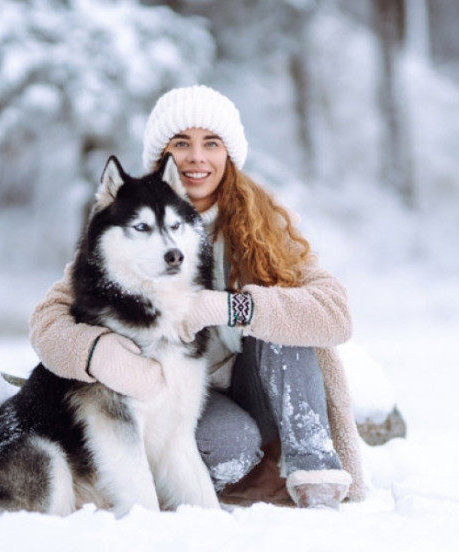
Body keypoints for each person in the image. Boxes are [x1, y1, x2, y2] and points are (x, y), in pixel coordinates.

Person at [28, 85, 365, 509]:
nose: (197, 157)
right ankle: (239, 482)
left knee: (286, 326)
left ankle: (316, 480)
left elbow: (335, 314)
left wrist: (233, 307)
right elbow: (46, 320)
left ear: (230, 155)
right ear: (163, 157)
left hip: (260, 384)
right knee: (228, 445)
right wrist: (95, 352)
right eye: (181, 143)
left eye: (211, 143)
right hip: (187, 400)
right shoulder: (129, 228)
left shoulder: (265, 225)